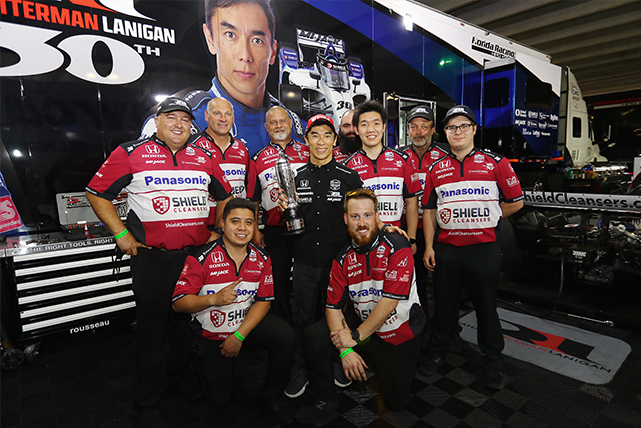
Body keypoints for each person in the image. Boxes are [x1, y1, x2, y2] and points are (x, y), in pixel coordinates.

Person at [85, 97, 233, 428]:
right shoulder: (131, 152)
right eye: (171, 118)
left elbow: (224, 196)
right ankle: (147, 402)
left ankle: (178, 379)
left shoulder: (204, 155)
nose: (179, 124)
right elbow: (96, 193)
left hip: (193, 259)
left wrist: (215, 228)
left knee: (185, 327)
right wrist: (121, 233)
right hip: (153, 259)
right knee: (151, 332)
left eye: (184, 118)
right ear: (158, 121)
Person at [295, 188, 426, 424]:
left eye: (367, 215)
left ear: (377, 216)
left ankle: (369, 356)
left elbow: (389, 302)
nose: (362, 223)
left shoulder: (398, 245)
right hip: (362, 324)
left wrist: (353, 338)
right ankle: (325, 396)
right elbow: (332, 307)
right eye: (355, 217)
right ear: (346, 219)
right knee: (312, 337)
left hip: (398, 330)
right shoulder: (342, 256)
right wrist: (345, 350)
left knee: (398, 403)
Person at [420, 105, 524, 389]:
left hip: (484, 249)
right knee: (443, 306)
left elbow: (516, 201)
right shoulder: (436, 168)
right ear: (445, 132)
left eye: (463, 126)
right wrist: (428, 246)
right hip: (447, 250)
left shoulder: (496, 162)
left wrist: (490, 214)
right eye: (452, 127)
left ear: (474, 129)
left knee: (486, 307)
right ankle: (438, 353)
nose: (458, 132)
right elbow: (429, 211)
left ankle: (492, 361)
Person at [172, 197, 295, 425]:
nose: (242, 228)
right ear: (222, 224)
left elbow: (264, 301)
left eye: (249, 222)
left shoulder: (262, 258)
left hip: (243, 327)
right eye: (235, 221)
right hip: (211, 332)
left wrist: (239, 336)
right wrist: (213, 299)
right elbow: (178, 302)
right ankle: (196, 361)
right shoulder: (201, 257)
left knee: (285, 335)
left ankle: (270, 396)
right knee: (219, 401)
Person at [140, 0, 305, 155]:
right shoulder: (179, 121)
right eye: (230, 35)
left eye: (257, 40)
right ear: (210, 39)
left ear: (273, 52)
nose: (245, 55)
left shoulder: (296, 126)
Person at [280, 114, 363, 399]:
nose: (321, 141)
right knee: (303, 318)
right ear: (306, 140)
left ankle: (340, 359)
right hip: (303, 263)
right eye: (315, 135)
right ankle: (301, 367)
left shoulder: (349, 177)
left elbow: (361, 218)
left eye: (327, 135)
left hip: (338, 264)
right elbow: (289, 223)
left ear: (335, 140)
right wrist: (285, 209)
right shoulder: (295, 178)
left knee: (338, 318)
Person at [247, 106, 310, 323]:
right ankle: (284, 323)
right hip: (275, 230)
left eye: (282, 121)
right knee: (278, 280)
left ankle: (308, 321)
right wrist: (255, 230)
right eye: (273, 123)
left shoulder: (307, 152)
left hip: (307, 227)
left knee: (306, 278)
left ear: (291, 124)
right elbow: (254, 200)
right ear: (266, 127)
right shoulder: (257, 158)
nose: (278, 126)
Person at [344, 100, 422, 253]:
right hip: (362, 240)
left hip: (397, 238)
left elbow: (412, 202)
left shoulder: (403, 160)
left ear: (384, 127)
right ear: (356, 129)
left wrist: (411, 239)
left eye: (376, 123)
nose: (370, 129)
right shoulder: (348, 166)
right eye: (364, 124)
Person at [403, 105, 448, 314]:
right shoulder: (399, 156)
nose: (418, 131)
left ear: (432, 130)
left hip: (439, 230)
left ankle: (446, 329)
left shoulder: (445, 155)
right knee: (416, 281)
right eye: (413, 127)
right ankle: (421, 325)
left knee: (443, 283)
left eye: (424, 126)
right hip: (410, 231)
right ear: (408, 130)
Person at [191, 97, 251, 225]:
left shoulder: (242, 148)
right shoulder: (192, 147)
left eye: (227, 114)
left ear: (233, 118)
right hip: (204, 227)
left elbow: (249, 189)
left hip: (236, 224)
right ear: (207, 116)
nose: (223, 119)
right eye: (217, 113)